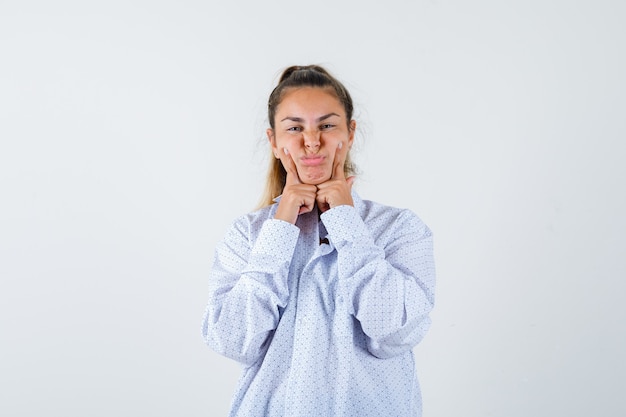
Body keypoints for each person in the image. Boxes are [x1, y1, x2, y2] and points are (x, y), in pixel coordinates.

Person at [201, 65, 436, 417]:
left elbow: (395, 333)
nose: (312, 141)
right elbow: (234, 341)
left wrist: (345, 220)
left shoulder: (399, 228)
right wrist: (280, 227)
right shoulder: (247, 235)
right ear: (274, 142)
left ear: (350, 132)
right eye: (295, 128)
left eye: (327, 125)